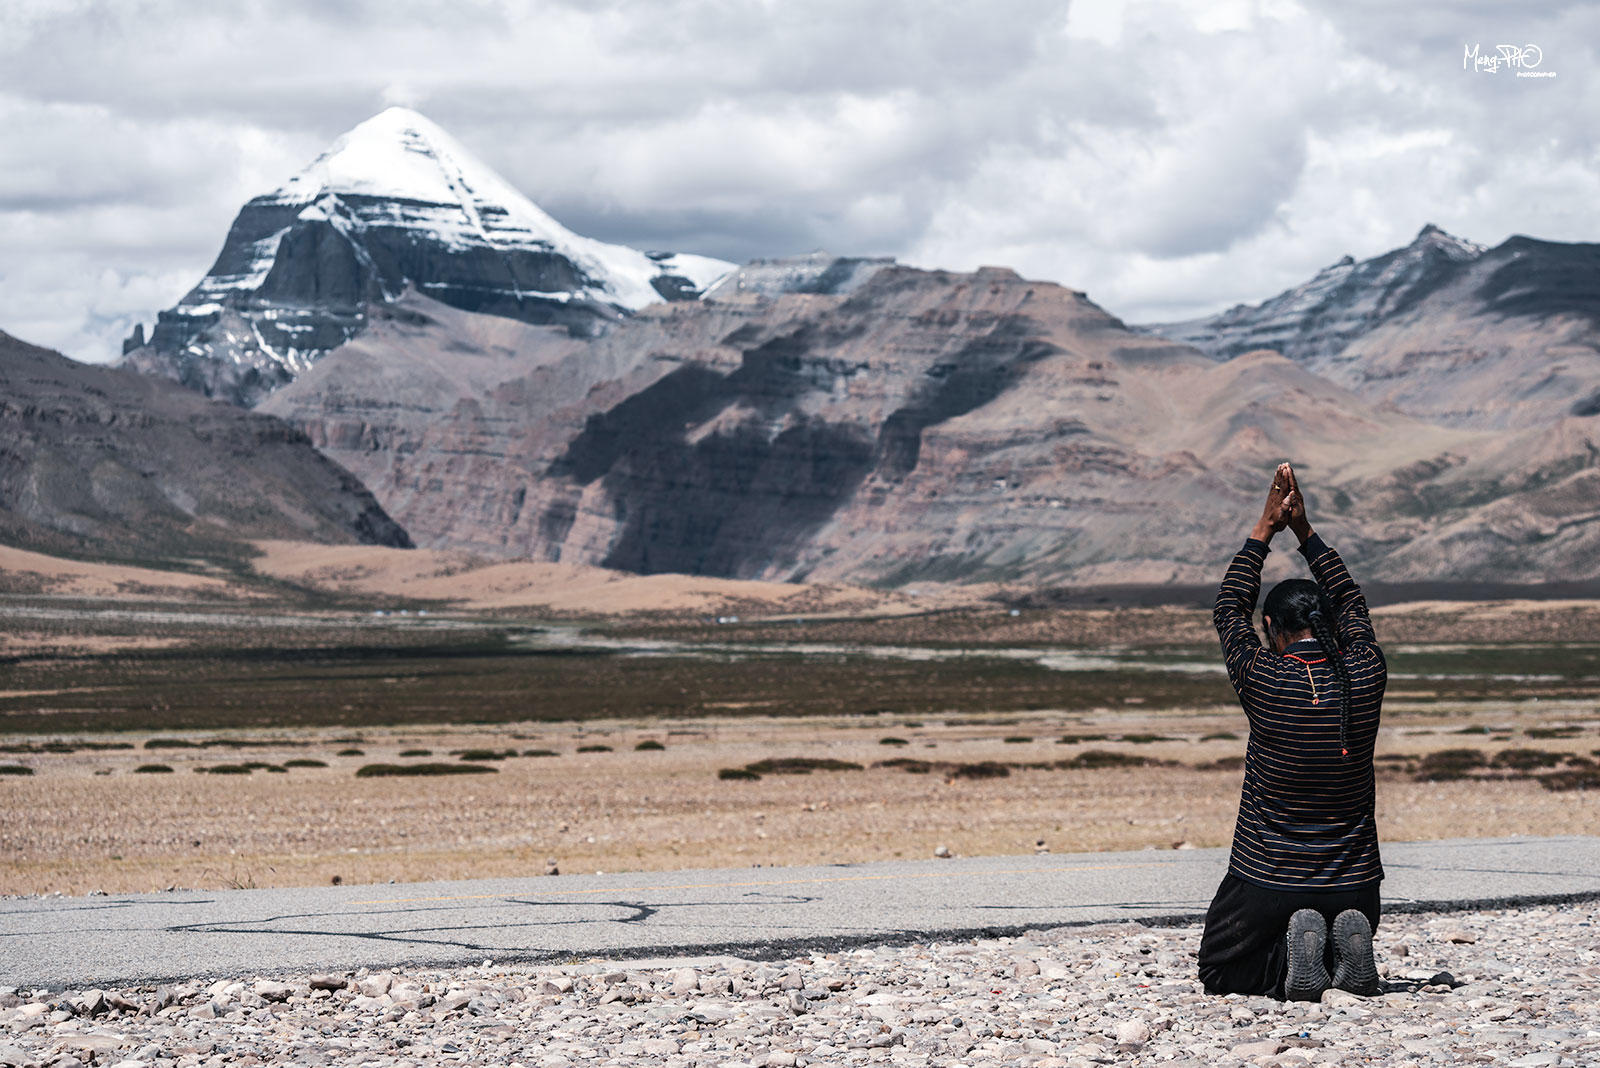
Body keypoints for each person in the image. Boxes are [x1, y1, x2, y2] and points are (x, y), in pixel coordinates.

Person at [1197, 462, 1387, 1001]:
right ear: (1332, 626)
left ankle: (1292, 965)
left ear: (1270, 629)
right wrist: (1304, 530)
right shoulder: (1365, 671)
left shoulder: (1264, 677)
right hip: (1355, 884)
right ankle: (1339, 955)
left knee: (1219, 971)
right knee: (1336, 923)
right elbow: (1351, 600)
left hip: (1269, 878)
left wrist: (1265, 527)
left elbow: (1228, 609)